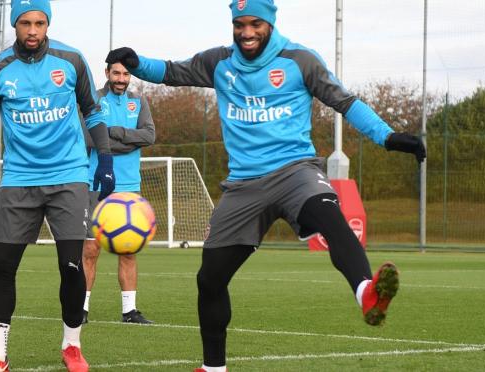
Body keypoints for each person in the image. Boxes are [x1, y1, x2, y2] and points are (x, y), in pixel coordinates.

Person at [105, 1, 426, 371]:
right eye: (239, 24)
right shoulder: (219, 63)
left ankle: (366, 293)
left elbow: (345, 101)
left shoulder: (300, 60)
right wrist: (135, 62)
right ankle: (214, 368)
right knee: (210, 279)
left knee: (330, 217)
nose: (246, 32)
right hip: (243, 186)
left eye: (255, 23)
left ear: (270, 22)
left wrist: (387, 137)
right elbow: (173, 72)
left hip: (295, 172)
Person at [0, 1, 115, 371]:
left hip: (68, 177)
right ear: (15, 25)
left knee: (71, 267)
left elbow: (93, 111)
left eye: (39, 22)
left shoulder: (71, 61)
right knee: (3, 266)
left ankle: (72, 346)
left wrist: (104, 158)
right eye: (25, 23)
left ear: (47, 23)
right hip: (19, 180)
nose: (33, 30)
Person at [81, 62, 156, 325]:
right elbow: (89, 138)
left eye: (125, 74)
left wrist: (113, 133)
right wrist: (126, 142)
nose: (121, 79)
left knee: (129, 249)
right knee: (90, 250)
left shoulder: (139, 102)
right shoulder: (94, 100)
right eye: (116, 73)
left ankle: (130, 311)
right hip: (97, 184)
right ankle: (81, 309)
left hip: (129, 187)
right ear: (107, 74)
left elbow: (149, 136)